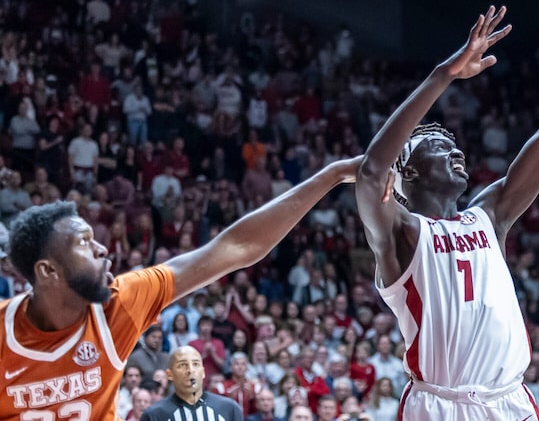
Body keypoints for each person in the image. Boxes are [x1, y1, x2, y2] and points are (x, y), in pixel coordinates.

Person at [354, 0, 539, 419]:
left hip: (510, 401)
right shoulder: (401, 231)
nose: (456, 150)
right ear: (408, 170)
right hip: (441, 405)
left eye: (454, 143)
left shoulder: (489, 215)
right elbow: (372, 170)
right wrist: (444, 74)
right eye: (439, 145)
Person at [0, 157, 360, 420]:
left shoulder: (121, 302)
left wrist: (331, 176)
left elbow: (235, 247)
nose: (102, 249)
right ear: (47, 270)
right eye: (83, 243)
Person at [140, 346, 244, 421]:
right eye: (182, 365)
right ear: (170, 374)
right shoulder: (153, 415)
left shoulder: (230, 408)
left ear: (203, 372)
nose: (190, 370)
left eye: (195, 364)